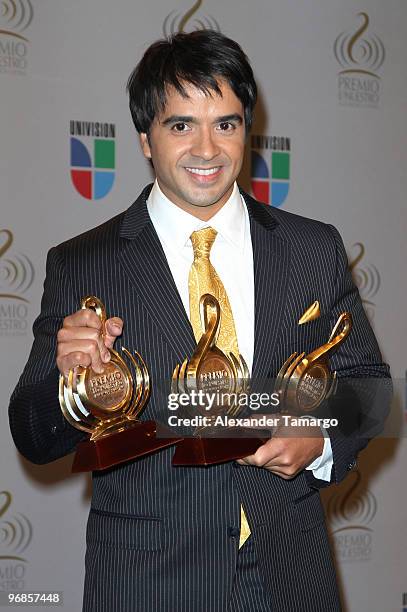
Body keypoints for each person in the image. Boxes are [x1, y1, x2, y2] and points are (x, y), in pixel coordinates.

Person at [9, 31, 390, 611]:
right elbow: (32, 434)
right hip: (148, 582)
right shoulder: (85, 262)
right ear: (145, 138)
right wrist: (76, 386)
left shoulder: (313, 247)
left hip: (291, 578)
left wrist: (318, 438)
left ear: (248, 129)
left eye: (227, 124)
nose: (207, 149)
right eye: (181, 125)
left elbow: (370, 386)